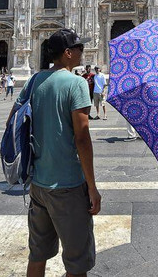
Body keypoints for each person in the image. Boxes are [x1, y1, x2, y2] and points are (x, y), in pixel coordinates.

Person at [6, 28, 99, 277]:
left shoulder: (35, 80)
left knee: (38, 254)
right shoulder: (77, 83)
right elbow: (82, 138)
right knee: (77, 262)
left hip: (38, 182)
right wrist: (92, 187)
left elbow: (13, 122)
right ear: (68, 53)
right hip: (67, 184)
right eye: (79, 48)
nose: (83, 52)